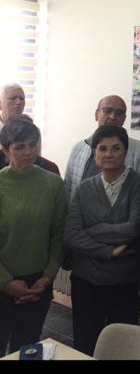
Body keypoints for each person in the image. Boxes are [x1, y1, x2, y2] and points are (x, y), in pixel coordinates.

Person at [63, 125, 140, 355]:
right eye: (102, 149)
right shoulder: (84, 188)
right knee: (85, 344)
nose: (108, 154)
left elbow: (133, 229)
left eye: (115, 148)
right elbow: (71, 233)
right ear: (94, 153)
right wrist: (110, 251)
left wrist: (92, 230)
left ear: (125, 151)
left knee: (121, 348)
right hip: (86, 281)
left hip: (125, 282)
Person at [0, 118, 66, 355]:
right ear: (5, 150)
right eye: (20, 147)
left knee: (28, 347)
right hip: (2, 280)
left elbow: (58, 234)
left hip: (38, 282)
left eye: (33, 144)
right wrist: (7, 283)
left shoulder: (53, 183)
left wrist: (46, 277)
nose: (28, 152)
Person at [64, 95, 140, 199]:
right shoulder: (78, 148)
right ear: (96, 114)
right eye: (107, 110)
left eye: (119, 113)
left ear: (124, 119)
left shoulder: (139, 150)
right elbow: (68, 189)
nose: (113, 117)